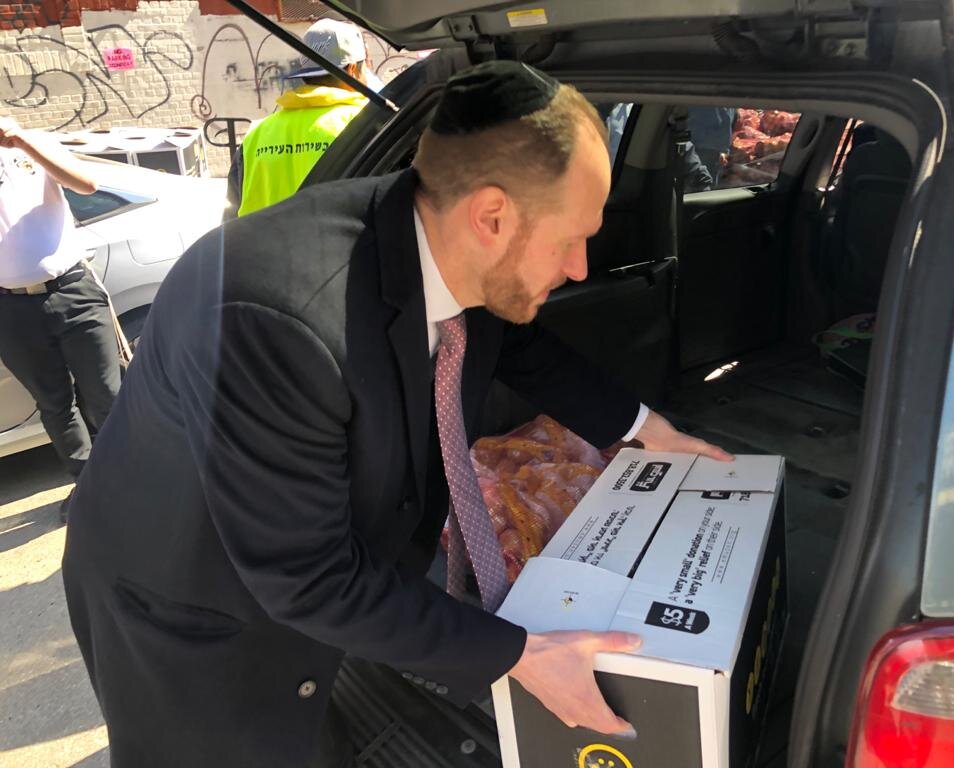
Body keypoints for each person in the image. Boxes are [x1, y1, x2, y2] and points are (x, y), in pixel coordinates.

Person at [63, 61, 733, 768]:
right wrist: (518, 655)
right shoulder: (278, 321)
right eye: (571, 239)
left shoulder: (438, 234)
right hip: (193, 615)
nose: (578, 268)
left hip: (297, 574)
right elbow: (310, 580)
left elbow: (522, 343)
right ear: (493, 216)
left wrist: (646, 430)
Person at [0, 116, 116, 518]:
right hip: (11, 308)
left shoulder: (33, 143)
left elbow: (87, 185)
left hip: (73, 291)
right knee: (54, 404)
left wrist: (22, 143)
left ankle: (136, 476)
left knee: (108, 395)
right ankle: (88, 487)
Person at [225, 18, 371, 218]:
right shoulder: (367, 124)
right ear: (352, 69)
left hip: (262, 248)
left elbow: (232, 216)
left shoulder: (256, 135)